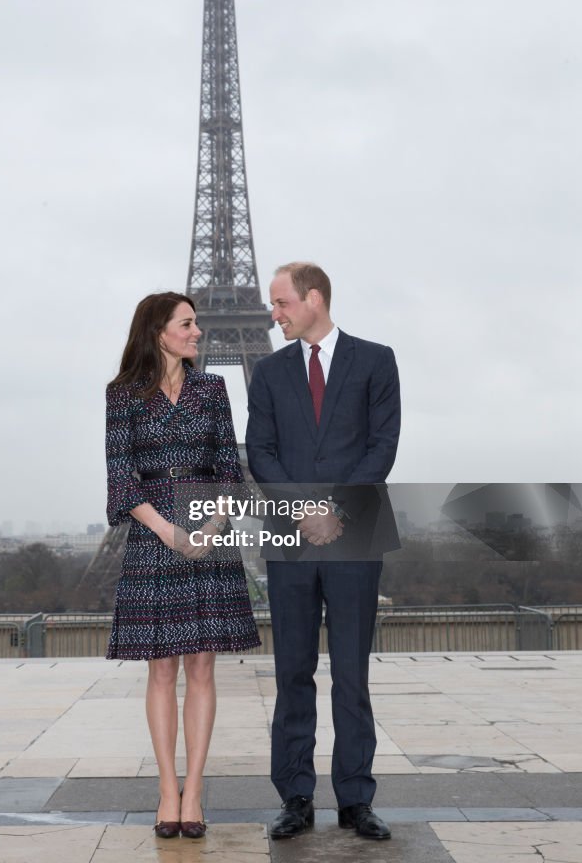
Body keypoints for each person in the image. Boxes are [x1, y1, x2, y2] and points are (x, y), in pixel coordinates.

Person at [246, 263, 400, 842]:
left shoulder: (376, 360)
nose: (274, 314)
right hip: (290, 534)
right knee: (292, 671)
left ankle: (356, 800)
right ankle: (296, 797)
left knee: (352, 675)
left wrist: (333, 510)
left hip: (355, 531)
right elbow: (259, 450)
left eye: (281, 302)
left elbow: (383, 446)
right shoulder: (267, 372)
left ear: (313, 299)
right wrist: (303, 512)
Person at [105, 291, 260, 839]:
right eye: (188, 324)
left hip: (207, 527)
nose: (198, 332)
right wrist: (171, 531)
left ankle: (193, 792)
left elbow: (227, 467)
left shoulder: (212, 389)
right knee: (162, 668)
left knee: (201, 666)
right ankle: (166, 789)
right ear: (158, 331)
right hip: (155, 532)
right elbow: (122, 478)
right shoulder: (122, 395)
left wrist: (211, 527)